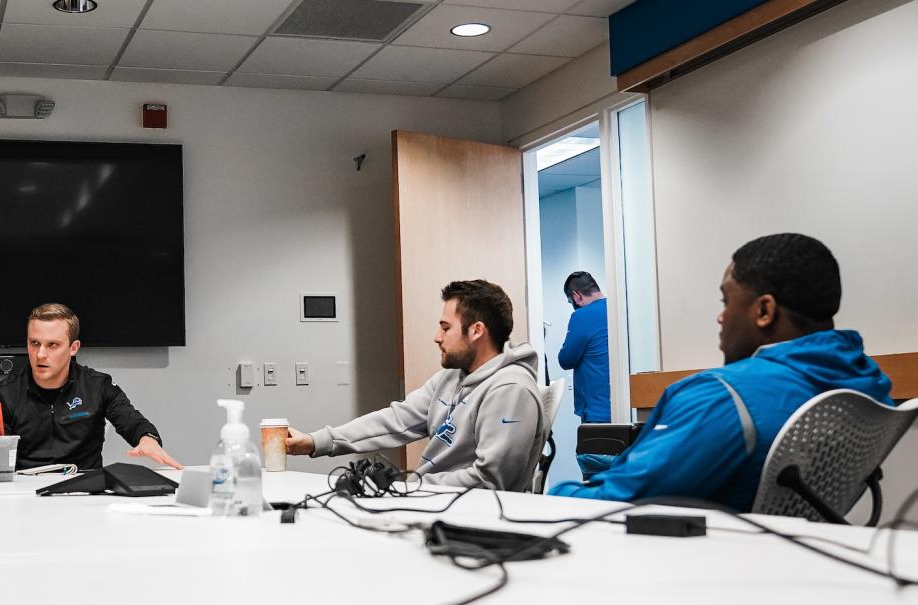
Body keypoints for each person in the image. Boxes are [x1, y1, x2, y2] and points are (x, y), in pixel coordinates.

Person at [549, 233, 893, 511]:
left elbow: (618, 503)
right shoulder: (869, 384)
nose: (721, 317)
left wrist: (551, 495)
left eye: (726, 302)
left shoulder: (720, 399)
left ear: (764, 311)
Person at [285, 279, 544, 490]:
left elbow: (490, 480)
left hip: (472, 520)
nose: (437, 337)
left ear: (476, 331)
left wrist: (408, 488)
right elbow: (396, 420)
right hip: (434, 501)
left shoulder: (511, 390)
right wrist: (315, 441)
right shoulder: (453, 378)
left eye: (445, 328)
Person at [0, 303, 181, 472]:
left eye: (52, 345)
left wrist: (147, 439)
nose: (40, 354)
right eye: (34, 343)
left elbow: (132, 421)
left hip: (85, 490)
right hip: (25, 495)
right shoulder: (4, 394)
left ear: (73, 348)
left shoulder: (98, 386)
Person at [557, 270, 612, 479]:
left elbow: (566, 359)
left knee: (596, 485)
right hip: (624, 414)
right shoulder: (618, 310)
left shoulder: (580, 316)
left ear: (577, 296)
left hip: (596, 417)